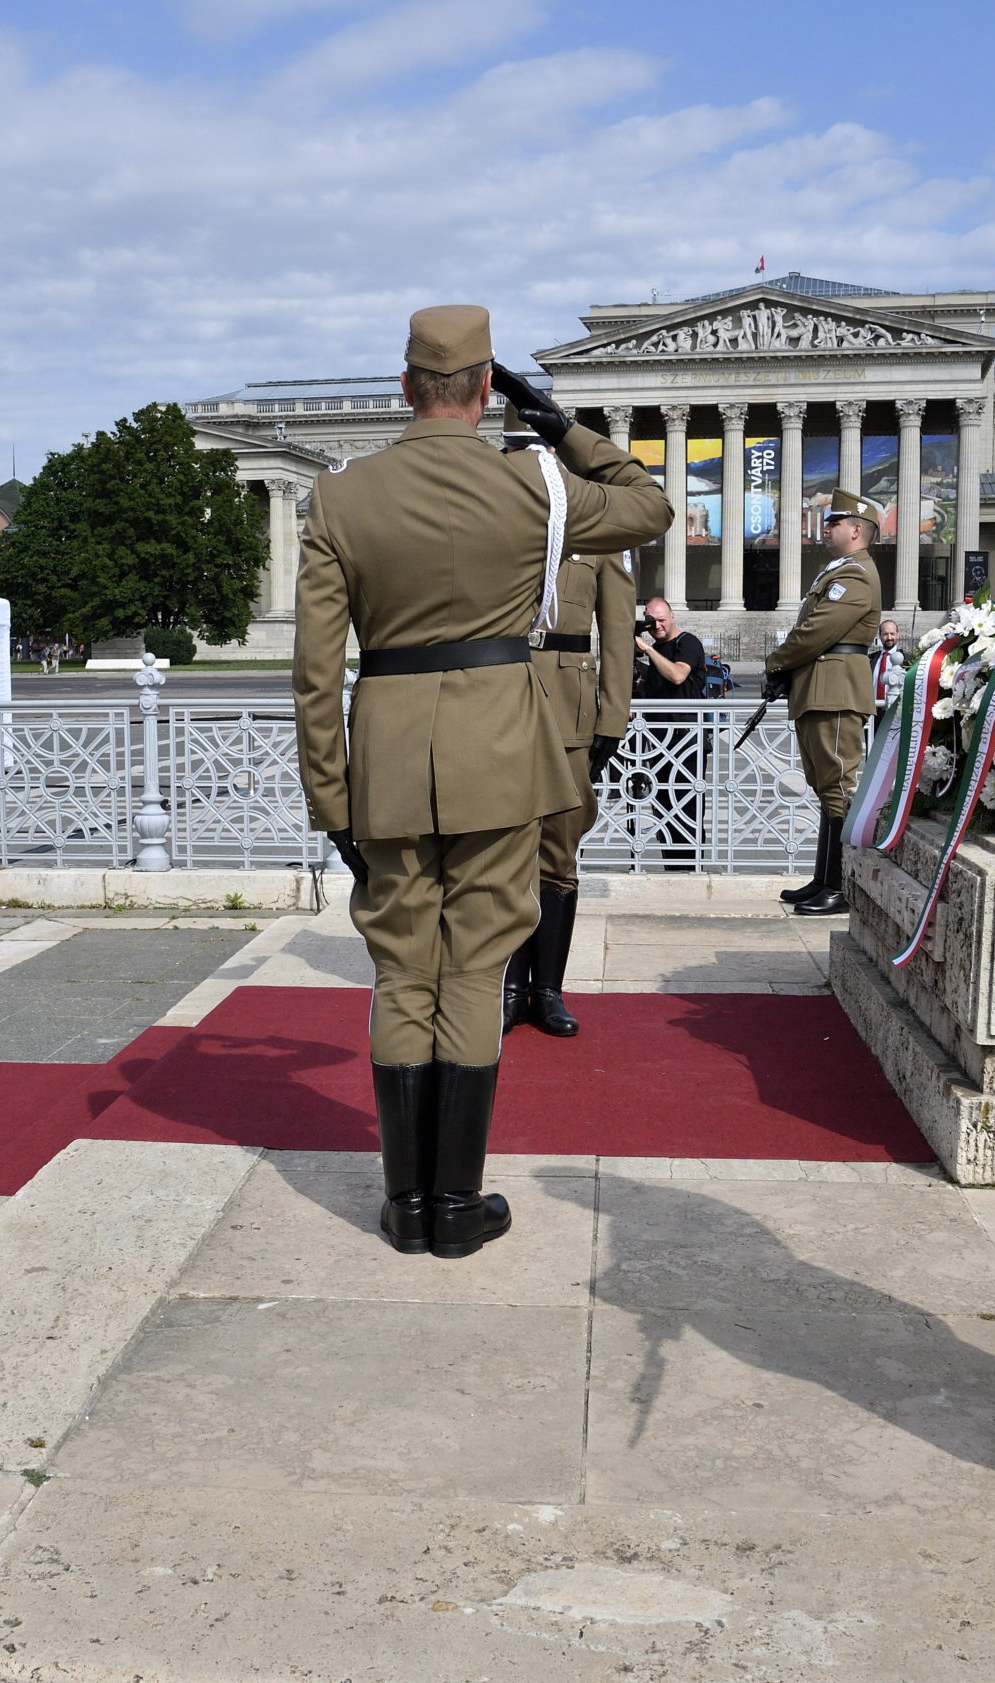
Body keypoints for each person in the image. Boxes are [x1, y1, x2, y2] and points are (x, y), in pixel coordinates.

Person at [294, 304, 672, 1260]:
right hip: (505, 758)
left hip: (384, 758)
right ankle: (456, 1205)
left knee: (400, 967)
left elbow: (314, 674)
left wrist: (331, 800)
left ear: (407, 384)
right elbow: (648, 501)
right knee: (473, 967)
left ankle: (401, 1202)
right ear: (483, 386)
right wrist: (554, 421)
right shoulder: (537, 489)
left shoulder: (342, 497)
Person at [504, 525, 634, 1039]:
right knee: (505, 851)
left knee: (558, 849)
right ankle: (511, 988)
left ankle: (548, 990)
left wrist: (612, 717)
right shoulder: (497, 514)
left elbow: (619, 628)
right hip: (499, 698)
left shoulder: (595, 530)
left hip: (570, 710)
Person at [766, 492, 884, 915]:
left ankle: (839, 885)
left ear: (857, 530)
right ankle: (824, 879)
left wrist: (777, 662)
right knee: (826, 787)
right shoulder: (839, 572)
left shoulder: (854, 576)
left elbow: (816, 631)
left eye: (836, 522)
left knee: (839, 787)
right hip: (820, 688)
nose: (828, 527)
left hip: (835, 690)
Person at [631, 597, 707, 871]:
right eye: (651, 620)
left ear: (673, 617)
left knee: (687, 806)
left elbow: (677, 676)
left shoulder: (687, 643)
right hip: (658, 741)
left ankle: (691, 866)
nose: (657, 625)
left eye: (662, 619)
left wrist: (647, 650)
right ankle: (673, 866)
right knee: (663, 807)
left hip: (686, 741)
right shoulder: (657, 651)